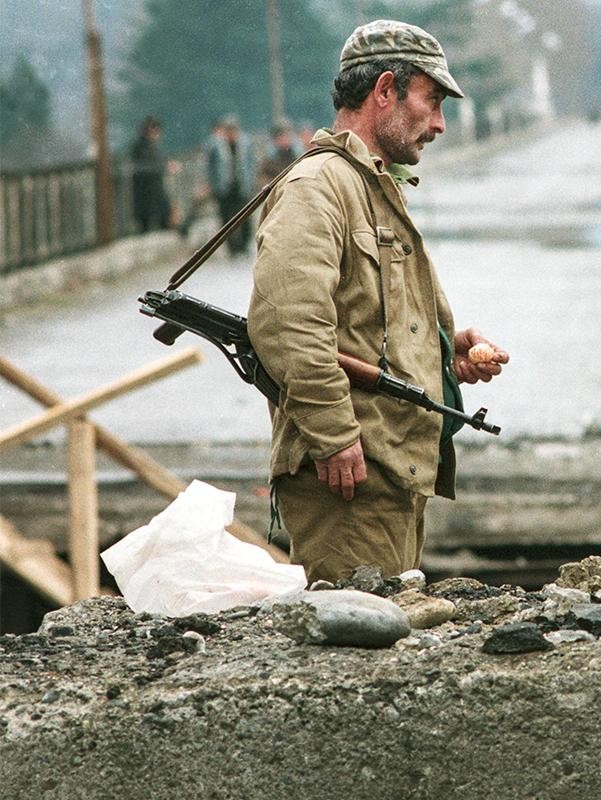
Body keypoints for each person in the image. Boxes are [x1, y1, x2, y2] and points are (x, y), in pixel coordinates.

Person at [247, 20, 508, 585]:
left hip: (389, 474)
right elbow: (288, 325)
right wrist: (334, 434)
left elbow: (373, 323)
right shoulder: (318, 187)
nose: (439, 123)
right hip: (348, 480)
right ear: (385, 90)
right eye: (432, 100)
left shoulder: (372, 185)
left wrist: (447, 352)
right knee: (355, 633)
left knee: (392, 628)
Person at [206, 114, 255, 254]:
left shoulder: (245, 144)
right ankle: (232, 247)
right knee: (226, 218)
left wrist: (251, 181)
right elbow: (210, 167)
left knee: (245, 216)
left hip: (241, 185)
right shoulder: (216, 146)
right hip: (224, 187)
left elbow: (251, 163)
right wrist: (212, 184)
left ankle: (244, 245)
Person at [129, 115, 171, 232]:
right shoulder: (139, 146)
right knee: (146, 220)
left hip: (155, 187)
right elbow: (142, 165)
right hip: (145, 188)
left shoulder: (154, 146)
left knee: (162, 216)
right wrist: (164, 167)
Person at [257, 120, 301, 187]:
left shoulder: (298, 157)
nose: (284, 139)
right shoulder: (269, 161)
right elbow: (263, 181)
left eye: (286, 136)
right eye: (281, 137)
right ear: (275, 139)